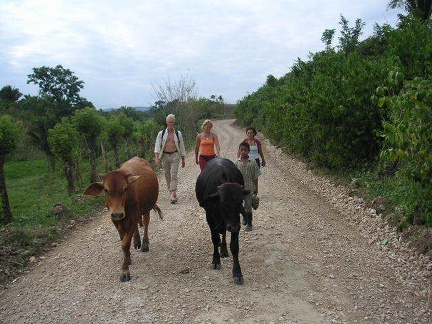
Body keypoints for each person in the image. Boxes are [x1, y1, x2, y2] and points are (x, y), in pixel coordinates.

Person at [154, 114, 186, 204]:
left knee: (173, 174)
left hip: (175, 155)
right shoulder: (162, 133)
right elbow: (157, 146)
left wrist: (183, 159)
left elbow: (182, 146)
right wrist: (156, 158)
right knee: (167, 174)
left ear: (174, 122)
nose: (170, 124)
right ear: (167, 123)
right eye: (169, 122)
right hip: (165, 156)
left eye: (172, 122)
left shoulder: (178, 133)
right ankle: (172, 191)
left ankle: (172, 194)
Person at [235, 142, 261, 231]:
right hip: (239, 189)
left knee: (248, 206)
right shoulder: (237, 162)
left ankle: (249, 224)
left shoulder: (253, 162)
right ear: (239, 151)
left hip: (249, 188)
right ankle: (244, 217)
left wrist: (256, 187)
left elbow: (255, 176)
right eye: (241, 150)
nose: (243, 152)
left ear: (249, 151)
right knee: (238, 205)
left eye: (245, 150)